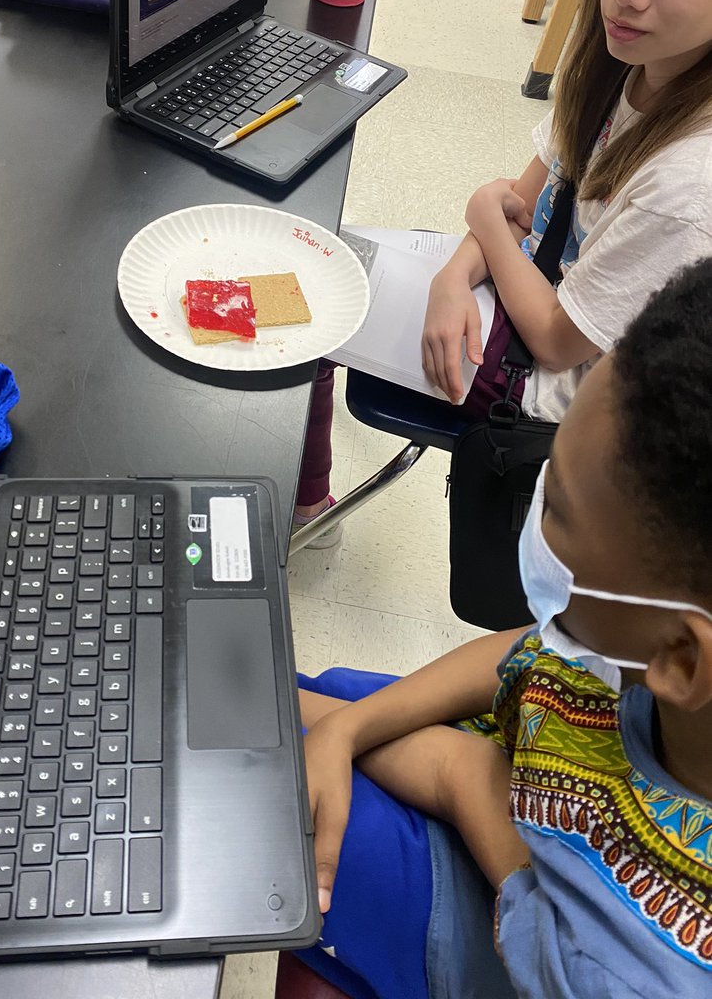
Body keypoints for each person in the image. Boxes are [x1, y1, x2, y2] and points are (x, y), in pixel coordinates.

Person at [295, 256, 712, 998]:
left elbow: (464, 777)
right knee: (311, 698)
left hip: (473, 918)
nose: (537, 514)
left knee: (257, 761)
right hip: (503, 763)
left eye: (557, 510)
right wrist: (345, 725)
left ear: (680, 660)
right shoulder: (644, 643)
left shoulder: (623, 972)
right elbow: (529, 656)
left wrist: (314, 723)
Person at [294, 0, 712, 545]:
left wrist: (484, 225)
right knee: (320, 255)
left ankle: (305, 510)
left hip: (551, 391)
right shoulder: (629, 61)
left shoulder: (688, 185)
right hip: (525, 291)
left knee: (308, 300)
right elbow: (524, 200)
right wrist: (456, 274)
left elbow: (555, 339)